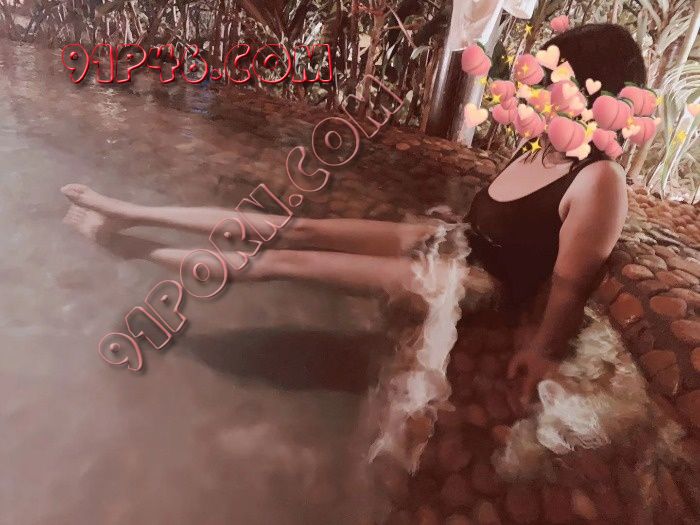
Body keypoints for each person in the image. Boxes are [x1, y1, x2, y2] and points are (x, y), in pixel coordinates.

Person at [61, 23, 645, 409]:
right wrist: (454, 220)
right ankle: (127, 210)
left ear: (591, 90)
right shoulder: (543, 147)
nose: (535, 83)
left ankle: (124, 244)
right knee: (300, 228)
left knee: (287, 262)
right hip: (455, 241)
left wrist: (542, 352)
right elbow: (511, 221)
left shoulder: (600, 180)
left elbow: (569, 286)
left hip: (476, 283)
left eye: (552, 75)